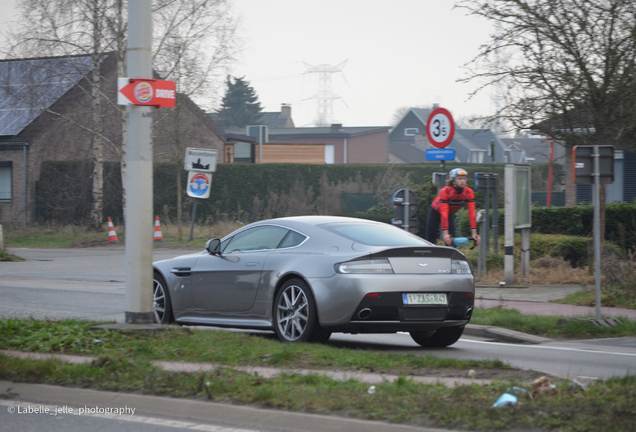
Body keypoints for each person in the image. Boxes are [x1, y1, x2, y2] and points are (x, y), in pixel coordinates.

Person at [425, 168, 481, 246]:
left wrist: (474, 233)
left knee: (452, 242)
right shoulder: (445, 191)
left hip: (449, 214)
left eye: (464, 179)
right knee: (431, 240)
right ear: (453, 181)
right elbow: (444, 212)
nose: (462, 181)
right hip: (435, 213)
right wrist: (445, 233)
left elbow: (472, 213)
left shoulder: (468, 192)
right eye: (459, 179)